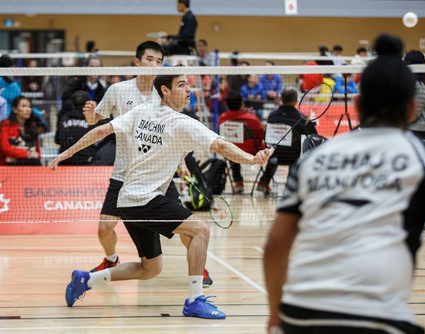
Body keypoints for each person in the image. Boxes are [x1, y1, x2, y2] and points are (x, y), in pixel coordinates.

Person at [264, 34, 425, 334]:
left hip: (299, 314)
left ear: (357, 103)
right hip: (377, 319)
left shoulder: (315, 159)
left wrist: (276, 313)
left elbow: (276, 245)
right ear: (410, 109)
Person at [50, 73, 272, 319]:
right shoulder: (183, 122)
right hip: (144, 200)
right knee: (200, 230)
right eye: (181, 84)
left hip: (128, 201)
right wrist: (252, 159)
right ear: (165, 90)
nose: (189, 89)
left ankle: (87, 279)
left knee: (150, 268)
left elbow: (102, 131)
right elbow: (221, 146)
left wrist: (65, 154)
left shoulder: (142, 111)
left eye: (189, 84)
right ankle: (195, 299)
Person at [81, 41, 215, 287]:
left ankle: (199, 268)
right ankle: (111, 259)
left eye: (159, 61)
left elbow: (174, 131)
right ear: (137, 62)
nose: (155, 64)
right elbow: (96, 119)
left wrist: (182, 163)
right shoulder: (118, 91)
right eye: (150, 59)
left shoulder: (163, 92)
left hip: (158, 175)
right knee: (104, 228)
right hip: (124, 175)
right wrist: (91, 116)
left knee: (187, 228)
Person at [256, 88, 317, 194]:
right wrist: (310, 123)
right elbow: (314, 136)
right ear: (296, 101)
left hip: (274, 155)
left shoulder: (272, 116)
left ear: (281, 99)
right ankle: (289, 187)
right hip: (293, 157)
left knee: (276, 152)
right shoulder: (302, 119)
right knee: (296, 153)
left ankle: (263, 182)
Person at [218, 92, 266, 194]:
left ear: (227, 104)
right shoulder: (252, 118)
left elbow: (220, 135)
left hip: (231, 151)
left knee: (231, 148)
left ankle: (238, 182)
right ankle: (264, 182)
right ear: (241, 103)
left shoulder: (222, 118)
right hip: (252, 151)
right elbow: (261, 134)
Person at [55, 90, 96, 165]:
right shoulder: (92, 120)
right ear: (87, 103)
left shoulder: (64, 117)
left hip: (64, 162)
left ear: (72, 104)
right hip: (86, 163)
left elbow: (57, 140)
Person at [0, 96, 41, 166]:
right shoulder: (6, 124)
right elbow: (5, 148)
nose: (28, 109)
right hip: (8, 167)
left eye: (29, 107)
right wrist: (27, 154)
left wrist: (14, 155)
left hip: (32, 165)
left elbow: (37, 153)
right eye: (24, 106)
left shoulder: (33, 126)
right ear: (14, 109)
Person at [404, 50, 425, 140]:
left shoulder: (419, 86)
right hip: (414, 127)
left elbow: (414, 114)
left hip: (421, 129)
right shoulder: (413, 83)